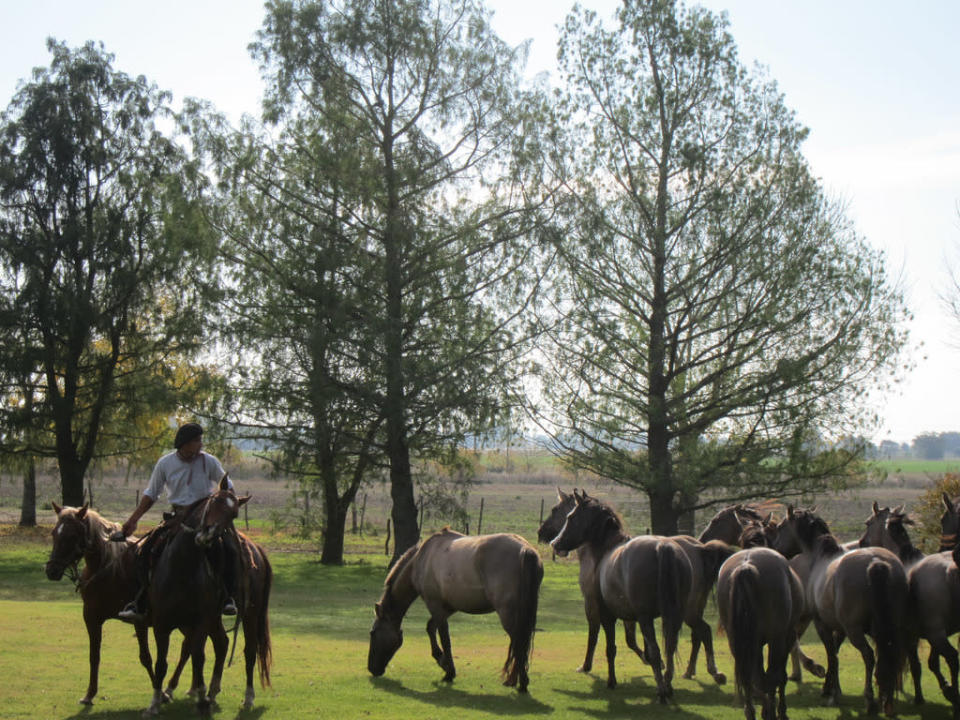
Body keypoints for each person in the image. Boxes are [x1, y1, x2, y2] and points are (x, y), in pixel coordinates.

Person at [117, 422, 238, 622]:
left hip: (205, 519)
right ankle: (139, 602)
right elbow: (151, 494)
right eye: (197, 441)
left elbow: (228, 487)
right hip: (178, 520)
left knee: (228, 550)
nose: (201, 444)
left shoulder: (209, 461)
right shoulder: (165, 464)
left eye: (200, 440)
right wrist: (133, 519)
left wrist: (224, 507)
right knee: (145, 552)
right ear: (185, 443)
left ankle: (228, 598)